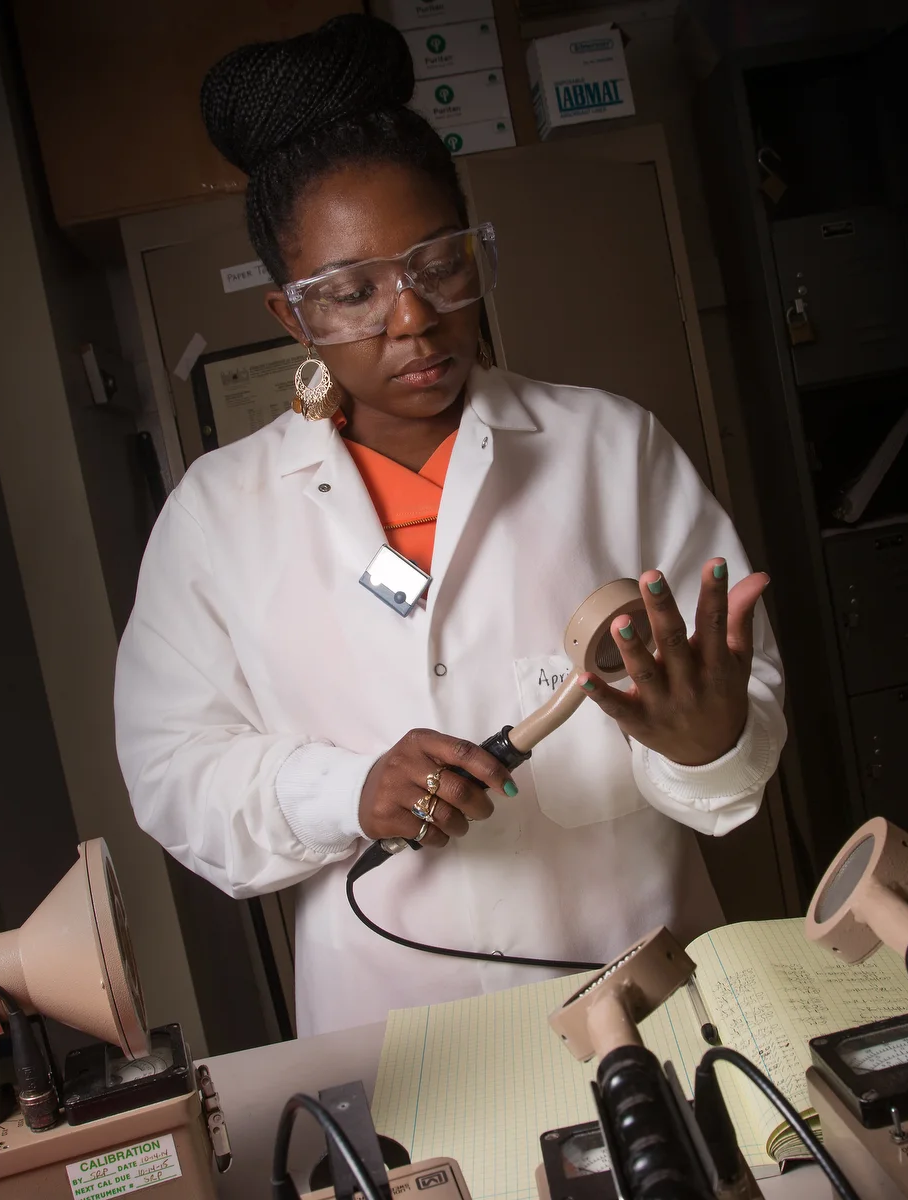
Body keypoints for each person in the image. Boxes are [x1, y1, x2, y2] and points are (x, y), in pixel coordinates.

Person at [114, 14, 785, 1037]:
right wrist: (347, 790)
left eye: (438, 264)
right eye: (352, 293)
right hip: (400, 1029)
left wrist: (708, 745)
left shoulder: (609, 446)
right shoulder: (219, 515)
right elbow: (173, 768)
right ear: (292, 317)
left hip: (641, 986)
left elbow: (740, 696)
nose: (412, 318)